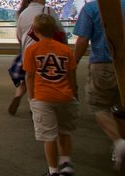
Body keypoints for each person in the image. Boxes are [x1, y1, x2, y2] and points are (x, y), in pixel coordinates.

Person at [73, 0, 125, 171]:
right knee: (120, 107)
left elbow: (82, 39)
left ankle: (119, 143)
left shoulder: (92, 8)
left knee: (99, 106)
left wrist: (73, 64)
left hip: (103, 64)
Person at [23, 13, 78, 176]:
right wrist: (73, 93)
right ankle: (66, 162)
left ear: (35, 30)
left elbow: (30, 76)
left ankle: (53, 170)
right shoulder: (65, 49)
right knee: (65, 131)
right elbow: (71, 76)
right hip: (65, 95)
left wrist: (31, 97)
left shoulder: (31, 50)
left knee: (49, 136)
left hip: (43, 97)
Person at [10, 0, 63, 115]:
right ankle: (40, 105)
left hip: (27, 51)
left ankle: (25, 99)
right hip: (46, 51)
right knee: (45, 78)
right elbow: (60, 31)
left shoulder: (22, 13)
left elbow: (19, 36)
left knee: (28, 78)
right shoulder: (48, 11)